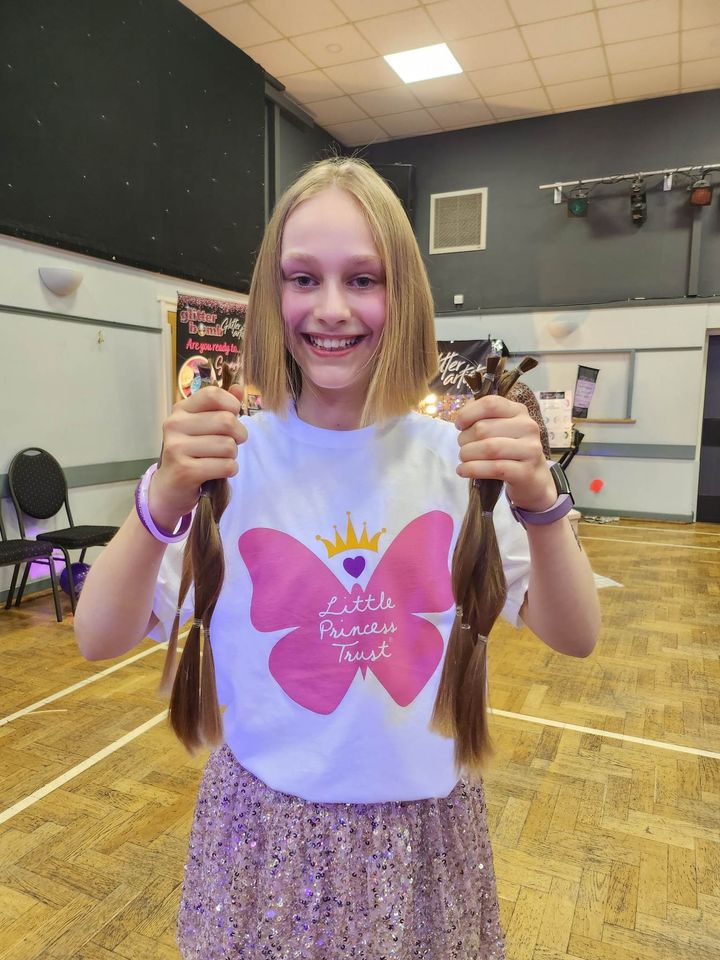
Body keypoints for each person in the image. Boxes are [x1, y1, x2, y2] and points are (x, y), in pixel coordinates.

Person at [75, 157, 600, 959]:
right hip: (266, 836)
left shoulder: (456, 463)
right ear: (270, 293)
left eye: (363, 279)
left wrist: (541, 504)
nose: (330, 308)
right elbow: (97, 637)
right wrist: (158, 503)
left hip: (422, 836)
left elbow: (575, 633)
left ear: (406, 294)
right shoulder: (228, 462)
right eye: (302, 278)